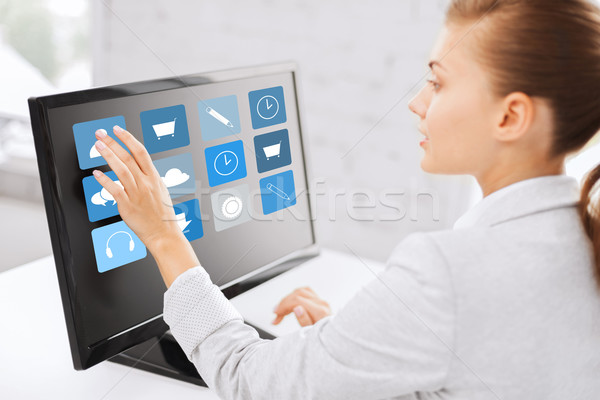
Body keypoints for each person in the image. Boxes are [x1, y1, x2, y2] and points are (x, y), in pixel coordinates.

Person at [91, 0, 600, 398]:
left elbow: (249, 382)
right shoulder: (582, 235)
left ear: (510, 117)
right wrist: (357, 351)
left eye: (438, 82)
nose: (417, 102)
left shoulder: (449, 271)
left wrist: (162, 233)